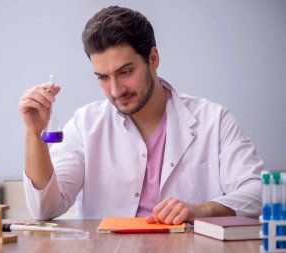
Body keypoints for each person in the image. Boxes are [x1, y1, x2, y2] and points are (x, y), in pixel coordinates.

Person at [18, 6, 263, 225]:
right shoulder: (86, 124)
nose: (115, 90)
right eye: (103, 77)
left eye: (125, 72)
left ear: (153, 59)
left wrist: (201, 209)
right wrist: (34, 134)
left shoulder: (214, 120)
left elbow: (259, 192)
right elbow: (45, 209)